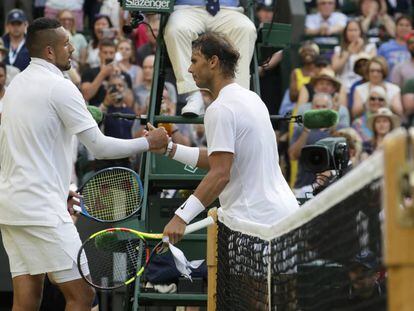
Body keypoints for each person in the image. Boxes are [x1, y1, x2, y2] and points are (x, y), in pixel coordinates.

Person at [0, 17, 168, 310]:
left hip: (11, 207)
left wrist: (60, 187)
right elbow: (99, 146)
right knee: (83, 296)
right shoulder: (61, 88)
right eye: (66, 44)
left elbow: (17, 150)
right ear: (50, 52)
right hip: (41, 210)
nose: (73, 49)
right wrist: (148, 143)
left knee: (26, 299)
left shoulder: (15, 86)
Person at [157, 32, 299, 244]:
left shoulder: (220, 109)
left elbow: (220, 173)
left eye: (194, 61)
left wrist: (181, 217)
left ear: (213, 61)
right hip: (285, 216)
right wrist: (169, 148)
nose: (189, 69)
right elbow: (223, 159)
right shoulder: (253, 98)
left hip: (255, 224)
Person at [164, 1, 257, 117]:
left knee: (246, 29)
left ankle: (235, 97)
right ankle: (194, 96)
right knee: (175, 30)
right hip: (187, 8)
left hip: (227, 8)